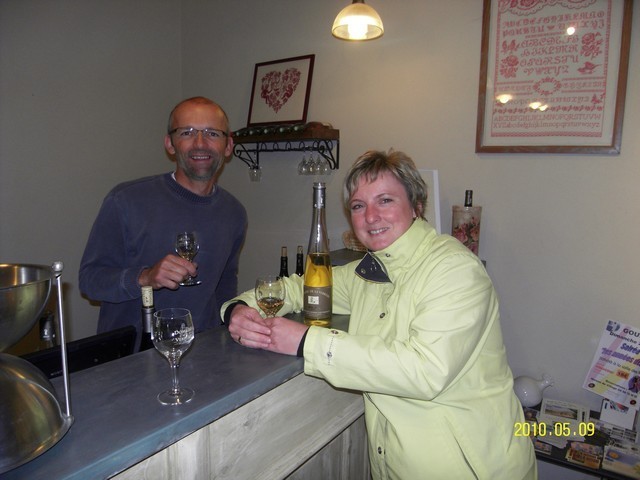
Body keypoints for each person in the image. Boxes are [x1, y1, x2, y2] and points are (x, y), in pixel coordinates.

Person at [222, 150, 536, 479]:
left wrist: (307, 342)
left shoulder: (453, 268)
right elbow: (299, 287)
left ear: (416, 206)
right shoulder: (367, 272)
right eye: (358, 206)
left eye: (385, 200)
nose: (370, 216)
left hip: (472, 469)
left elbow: (426, 371)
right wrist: (238, 309)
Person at [80, 96, 247, 348]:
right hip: (131, 358)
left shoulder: (234, 213)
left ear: (228, 145)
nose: (200, 143)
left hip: (204, 353)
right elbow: (90, 281)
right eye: (187, 132)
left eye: (212, 133)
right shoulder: (126, 200)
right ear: (170, 143)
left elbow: (225, 286)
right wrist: (145, 277)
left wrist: (233, 322)